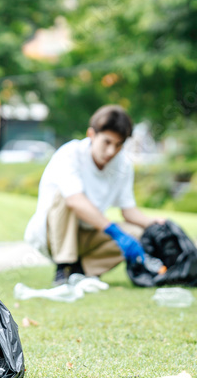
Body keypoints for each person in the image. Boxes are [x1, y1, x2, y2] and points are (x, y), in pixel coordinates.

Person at [24, 105, 165, 285]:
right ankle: (64, 266)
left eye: (118, 145)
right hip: (51, 235)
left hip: (87, 234)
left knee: (137, 234)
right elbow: (74, 201)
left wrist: (155, 223)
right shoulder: (70, 154)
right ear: (92, 134)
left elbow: (128, 211)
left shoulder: (123, 165)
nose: (111, 151)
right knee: (65, 196)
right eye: (106, 142)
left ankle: (81, 270)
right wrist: (114, 231)